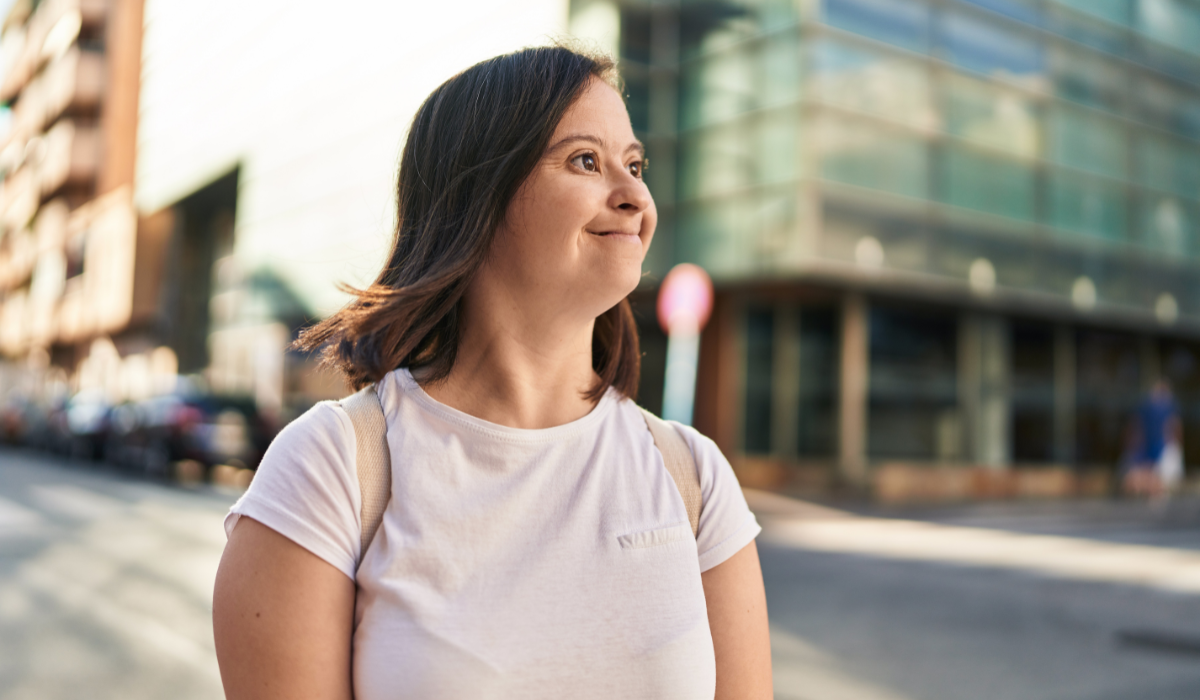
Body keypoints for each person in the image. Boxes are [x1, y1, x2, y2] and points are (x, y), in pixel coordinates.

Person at [212, 45, 772, 699]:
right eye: (586, 160)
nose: (635, 196)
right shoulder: (330, 471)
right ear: (479, 196)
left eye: (635, 164)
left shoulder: (694, 478)